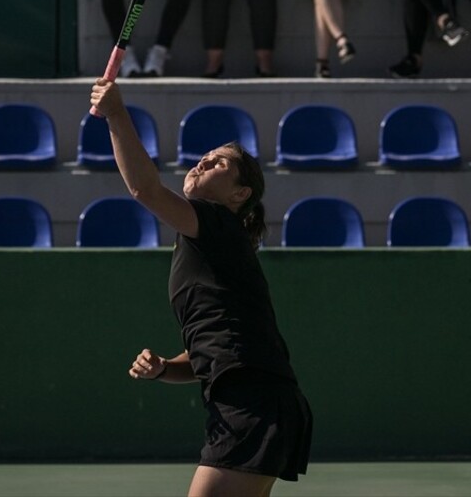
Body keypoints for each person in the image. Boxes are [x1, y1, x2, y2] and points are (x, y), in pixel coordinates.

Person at [89, 77, 312, 496]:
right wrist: (164, 369)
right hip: (254, 400)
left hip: (254, 402)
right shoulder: (211, 244)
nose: (205, 160)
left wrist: (116, 113)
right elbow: (217, 347)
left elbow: (145, 189)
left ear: (240, 194)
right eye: (206, 155)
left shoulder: (217, 224)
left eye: (220, 163)